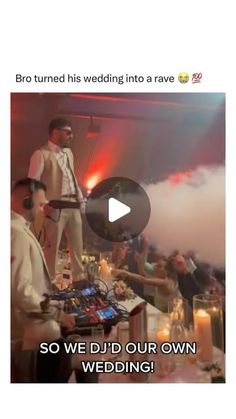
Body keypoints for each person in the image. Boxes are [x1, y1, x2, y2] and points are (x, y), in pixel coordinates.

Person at [11, 178, 76, 382]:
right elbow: (20, 290)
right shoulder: (15, 233)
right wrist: (57, 314)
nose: (41, 210)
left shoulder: (17, 229)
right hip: (29, 332)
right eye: (40, 204)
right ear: (26, 201)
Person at [28, 117, 84, 282]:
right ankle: (49, 280)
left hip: (73, 205)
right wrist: (43, 205)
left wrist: (80, 199)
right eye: (68, 132)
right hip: (55, 207)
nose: (71, 136)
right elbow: (33, 184)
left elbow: (72, 177)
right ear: (55, 132)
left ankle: (79, 279)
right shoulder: (41, 154)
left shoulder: (68, 153)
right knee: (51, 247)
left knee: (77, 246)